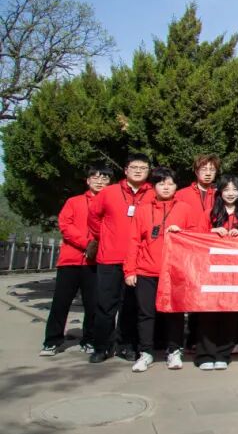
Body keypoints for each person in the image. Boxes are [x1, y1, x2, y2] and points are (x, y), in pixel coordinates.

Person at [124, 167, 202, 372]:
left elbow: (196, 236)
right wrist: (129, 270)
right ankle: (146, 352)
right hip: (146, 270)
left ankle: (174, 350)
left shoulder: (185, 209)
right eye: (161, 183)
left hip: (174, 271)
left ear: (176, 186)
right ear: (154, 186)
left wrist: (182, 232)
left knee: (174, 313)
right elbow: (133, 240)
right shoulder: (143, 210)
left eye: (170, 183)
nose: (166, 187)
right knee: (145, 313)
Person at [88, 153, 153, 363]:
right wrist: (106, 237)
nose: (138, 171)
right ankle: (101, 346)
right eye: (134, 167)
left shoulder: (153, 194)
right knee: (105, 305)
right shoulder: (109, 192)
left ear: (148, 171)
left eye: (143, 168)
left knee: (131, 307)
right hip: (109, 258)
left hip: (137, 261)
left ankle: (126, 345)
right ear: (126, 170)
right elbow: (93, 218)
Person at [41, 164, 111, 356]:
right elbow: (65, 226)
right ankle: (52, 341)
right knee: (60, 302)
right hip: (70, 260)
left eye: (104, 178)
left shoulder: (110, 205)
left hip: (95, 263)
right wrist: (87, 243)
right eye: (95, 177)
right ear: (87, 181)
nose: (100, 181)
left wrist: (97, 247)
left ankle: (89, 339)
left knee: (93, 304)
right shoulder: (74, 202)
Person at [195, 174, 238, 371]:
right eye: (226, 189)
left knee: (230, 314)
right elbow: (197, 237)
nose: (231, 193)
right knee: (208, 313)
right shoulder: (209, 213)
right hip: (212, 270)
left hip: (236, 272)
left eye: (234, 189)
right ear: (220, 192)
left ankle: (223, 353)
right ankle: (205, 354)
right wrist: (212, 232)